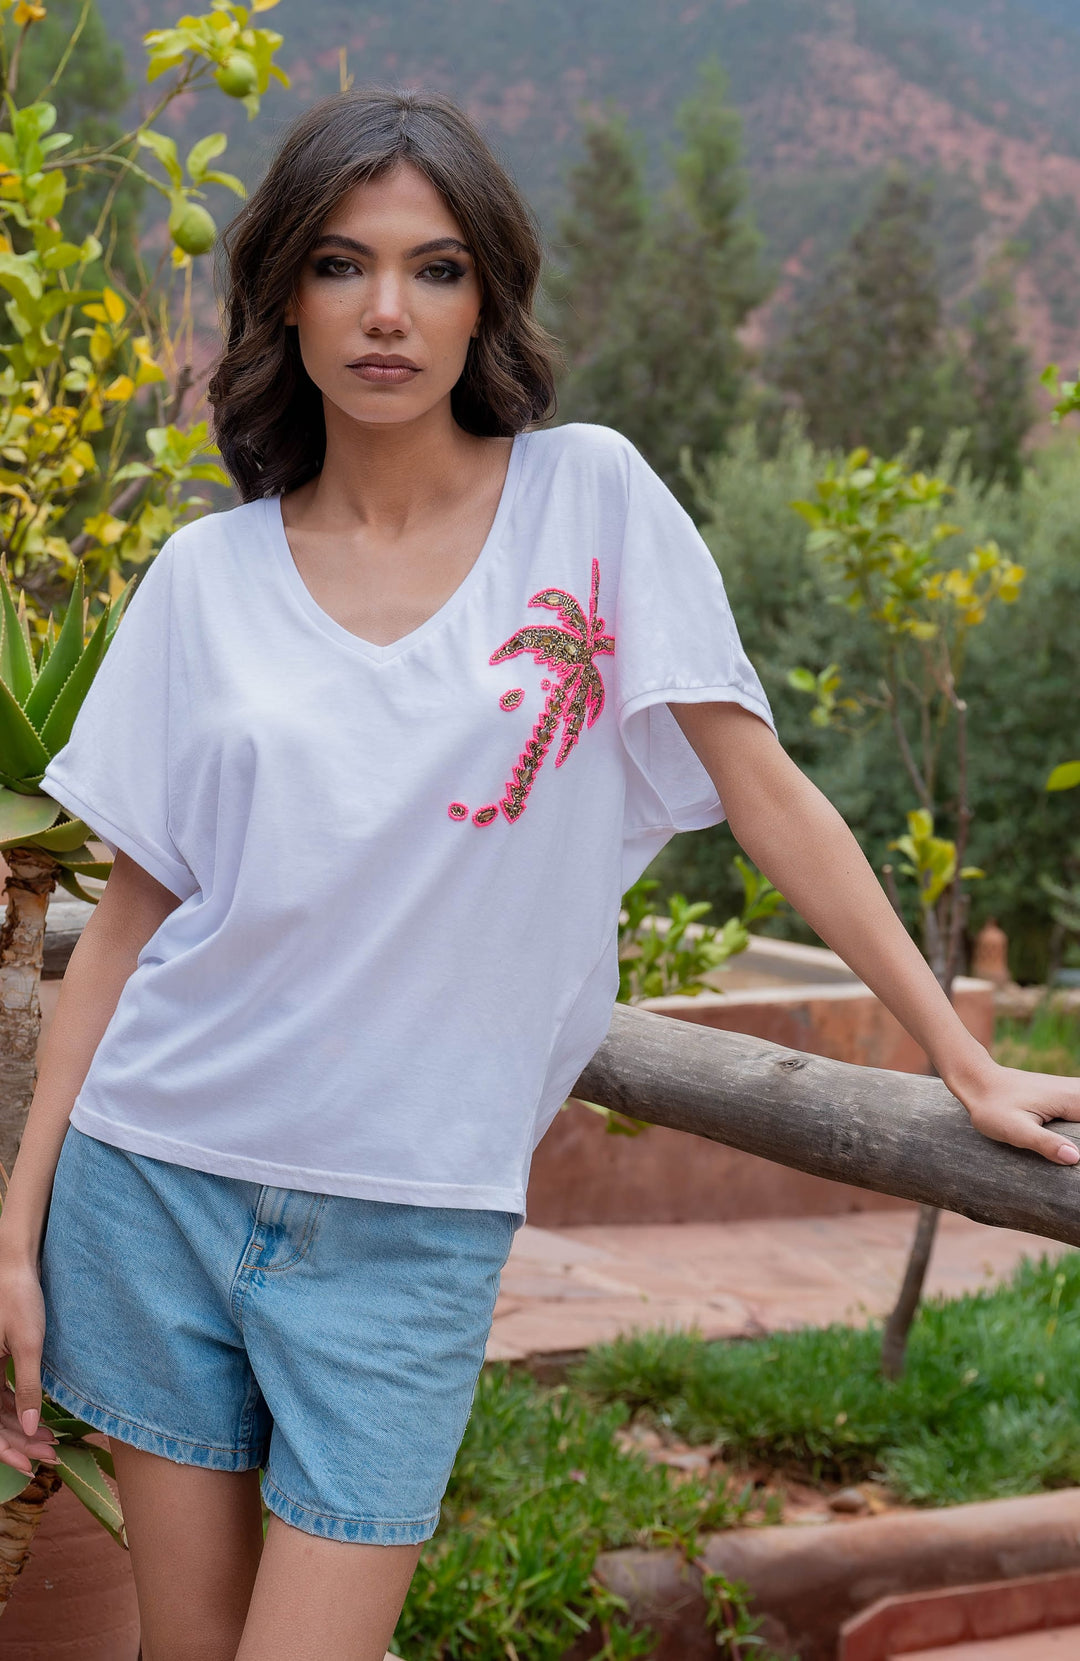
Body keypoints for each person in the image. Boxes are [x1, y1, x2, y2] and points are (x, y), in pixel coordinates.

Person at [0, 82, 1077, 1661]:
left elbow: (765, 792)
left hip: (412, 1216)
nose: (387, 310)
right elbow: (125, 925)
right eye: (341, 264)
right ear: (283, 294)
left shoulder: (591, 501)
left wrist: (961, 1056)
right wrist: (16, 1230)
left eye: (434, 267)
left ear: (485, 296)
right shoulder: (202, 578)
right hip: (151, 1179)